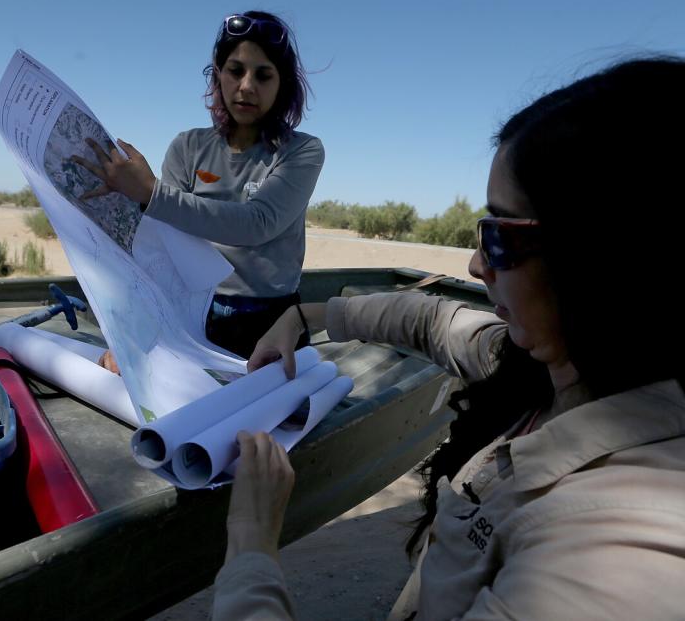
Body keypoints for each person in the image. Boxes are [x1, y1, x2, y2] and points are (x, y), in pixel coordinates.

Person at [212, 57, 685, 619]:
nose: (475, 262)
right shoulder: (548, 367)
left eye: (501, 236)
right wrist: (305, 316)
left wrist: (250, 543)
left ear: (607, 257)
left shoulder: (617, 549)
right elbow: (430, 320)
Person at [71, 11, 324, 360]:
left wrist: (151, 193)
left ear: (283, 86)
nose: (247, 86)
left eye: (264, 75)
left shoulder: (302, 151)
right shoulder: (187, 147)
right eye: (235, 71)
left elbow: (257, 223)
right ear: (218, 74)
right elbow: (164, 249)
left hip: (273, 323)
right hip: (194, 317)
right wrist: (134, 333)